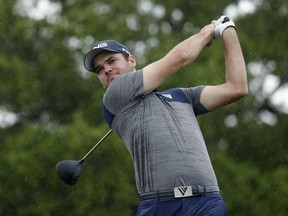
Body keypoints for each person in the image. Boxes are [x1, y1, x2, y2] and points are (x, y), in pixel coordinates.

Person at [83, 15, 248, 215]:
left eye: (111, 60)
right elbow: (180, 58)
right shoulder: (115, 93)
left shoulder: (182, 96)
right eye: (99, 70)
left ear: (132, 60)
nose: (106, 69)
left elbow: (236, 88)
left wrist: (228, 30)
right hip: (160, 205)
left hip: (206, 202)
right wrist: (208, 32)